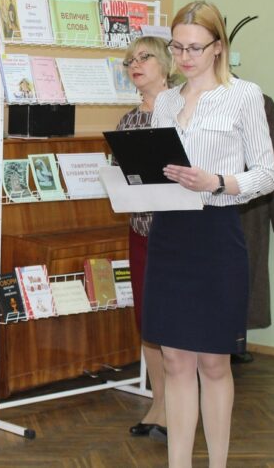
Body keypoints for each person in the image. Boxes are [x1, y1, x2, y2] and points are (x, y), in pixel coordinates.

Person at [142, 0, 274, 468]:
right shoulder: (165, 101)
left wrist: (217, 181)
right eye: (177, 47)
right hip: (169, 233)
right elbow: (156, 169)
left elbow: (267, 175)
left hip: (217, 233)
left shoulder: (244, 95)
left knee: (214, 363)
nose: (184, 57)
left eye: (194, 47)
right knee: (175, 360)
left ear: (218, 47)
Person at [115, 36, 172, 442]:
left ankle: (177, 405)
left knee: (174, 322)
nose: (135, 65)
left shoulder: (185, 112)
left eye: (144, 57)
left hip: (178, 233)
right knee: (148, 321)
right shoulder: (127, 122)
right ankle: (160, 402)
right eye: (129, 60)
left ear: (167, 64)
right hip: (141, 230)